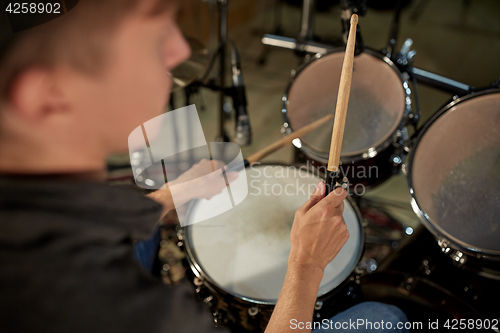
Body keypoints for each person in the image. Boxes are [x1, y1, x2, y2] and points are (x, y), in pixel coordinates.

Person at [0, 0, 408, 332]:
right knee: (384, 320)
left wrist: (176, 193)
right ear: (50, 95)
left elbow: (97, 218)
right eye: (155, 32)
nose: (179, 50)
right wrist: (306, 266)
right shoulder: (125, 312)